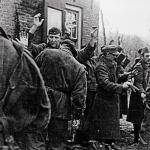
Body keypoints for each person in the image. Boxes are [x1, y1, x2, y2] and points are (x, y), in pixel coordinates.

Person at [0, 27, 50, 150]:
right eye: (51, 37)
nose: (54, 39)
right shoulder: (32, 51)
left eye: (56, 37)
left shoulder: (21, 53)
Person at [35, 35, 87, 150]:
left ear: (62, 46)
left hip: (41, 101)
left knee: (37, 138)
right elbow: (79, 96)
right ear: (74, 53)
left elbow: (32, 73)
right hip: (61, 107)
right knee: (57, 142)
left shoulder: (46, 53)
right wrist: (77, 115)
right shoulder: (79, 67)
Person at [84, 45, 132, 150]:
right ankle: (101, 144)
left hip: (111, 99)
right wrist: (121, 87)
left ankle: (110, 143)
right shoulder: (101, 66)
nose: (115, 57)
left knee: (111, 125)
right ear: (107, 54)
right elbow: (105, 83)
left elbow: (114, 77)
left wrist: (124, 78)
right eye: (114, 55)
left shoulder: (111, 64)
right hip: (103, 100)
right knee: (103, 126)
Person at [127, 47, 150, 145]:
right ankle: (136, 139)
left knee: (144, 116)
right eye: (147, 56)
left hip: (144, 94)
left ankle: (142, 136)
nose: (149, 58)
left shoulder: (147, 66)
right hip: (137, 95)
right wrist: (142, 93)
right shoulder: (139, 66)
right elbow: (138, 82)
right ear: (142, 56)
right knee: (137, 118)